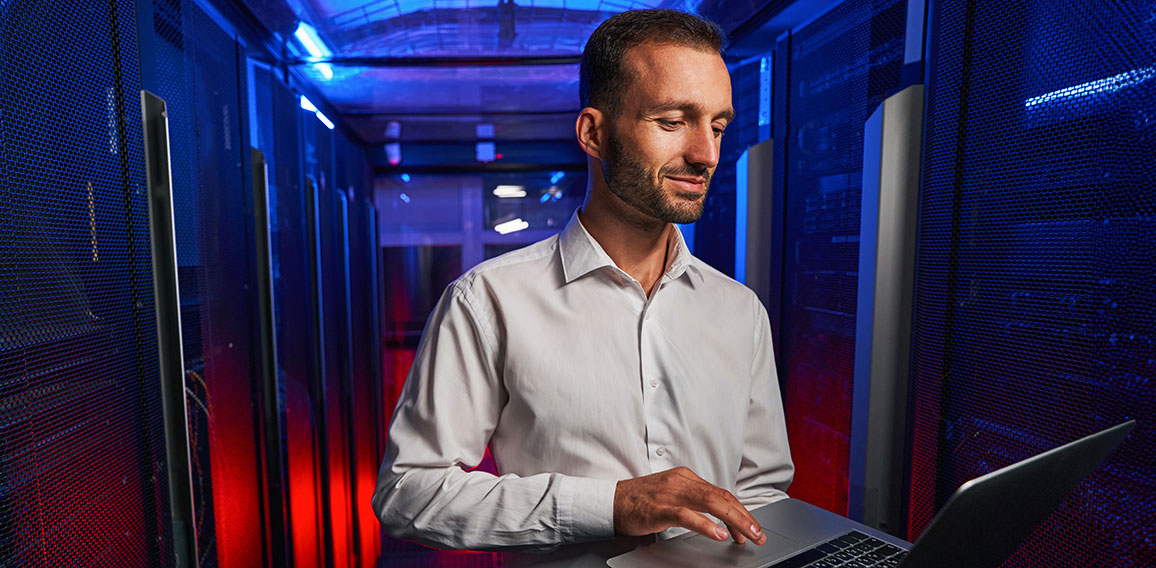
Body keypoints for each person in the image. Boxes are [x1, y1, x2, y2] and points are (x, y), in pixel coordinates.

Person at [372, 8, 793, 561]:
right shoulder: (489, 301)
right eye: (672, 122)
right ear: (593, 132)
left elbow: (760, 495)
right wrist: (612, 505)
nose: (706, 154)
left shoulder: (741, 311)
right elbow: (409, 492)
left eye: (716, 126)